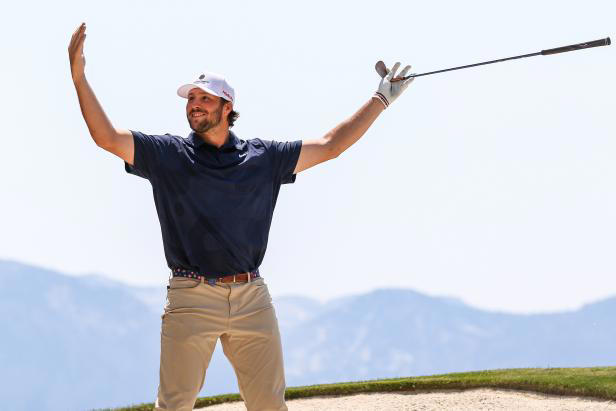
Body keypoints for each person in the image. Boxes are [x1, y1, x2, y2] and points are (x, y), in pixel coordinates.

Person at [68, 22, 414, 411]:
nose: (194, 103)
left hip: (252, 297)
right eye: (191, 98)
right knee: (174, 406)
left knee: (269, 405)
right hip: (191, 297)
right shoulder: (168, 155)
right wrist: (80, 78)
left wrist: (380, 99)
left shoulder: (264, 158)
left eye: (205, 98)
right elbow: (107, 138)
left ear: (227, 107)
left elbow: (331, 146)